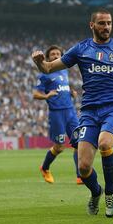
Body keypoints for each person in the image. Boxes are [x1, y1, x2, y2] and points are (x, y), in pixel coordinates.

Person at [31, 8, 113, 218]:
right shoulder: (81, 49)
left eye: (109, 23)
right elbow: (48, 68)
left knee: (105, 143)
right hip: (89, 110)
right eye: (102, 23)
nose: (106, 27)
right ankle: (96, 192)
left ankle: (110, 194)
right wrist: (39, 61)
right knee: (84, 167)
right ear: (92, 25)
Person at [33, 45, 82, 185]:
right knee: (60, 147)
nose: (56, 56)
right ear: (48, 57)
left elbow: (62, 88)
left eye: (58, 54)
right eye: (53, 54)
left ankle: (80, 176)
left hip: (70, 112)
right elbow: (36, 94)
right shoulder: (44, 74)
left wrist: (70, 92)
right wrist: (47, 96)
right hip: (56, 114)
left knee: (79, 144)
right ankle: (45, 167)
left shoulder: (64, 71)